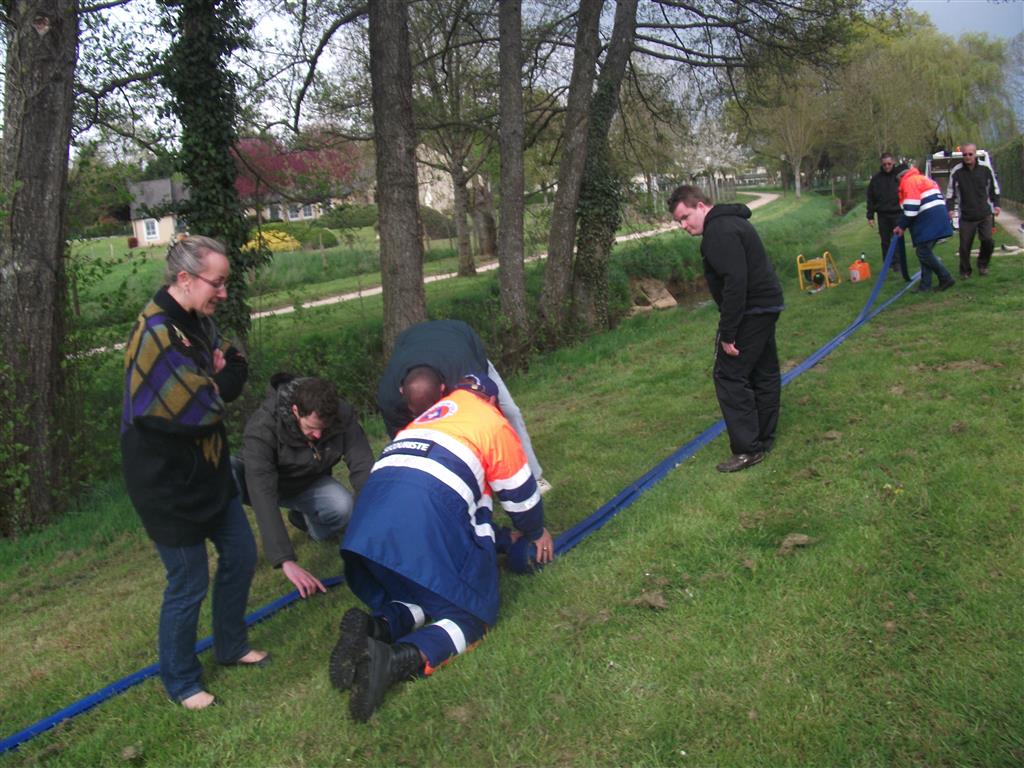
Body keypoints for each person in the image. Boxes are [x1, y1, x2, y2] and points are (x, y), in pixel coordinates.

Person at [331, 373, 554, 722]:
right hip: (425, 519)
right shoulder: (491, 422)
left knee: (418, 593)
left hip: (368, 527)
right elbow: (521, 496)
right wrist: (535, 532)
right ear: (491, 401)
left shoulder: (423, 421)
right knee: (471, 616)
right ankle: (396, 659)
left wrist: (501, 538)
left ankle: (376, 627)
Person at [121, 236, 267, 711]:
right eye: (216, 283)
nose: (223, 293)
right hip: (165, 481)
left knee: (240, 554)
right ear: (184, 278)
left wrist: (217, 380)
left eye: (225, 283)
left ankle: (231, 644)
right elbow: (200, 408)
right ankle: (182, 681)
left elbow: (236, 363)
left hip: (209, 468)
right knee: (188, 582)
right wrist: (216, 384)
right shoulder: (156, 333)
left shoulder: (199, 321)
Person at [667, 185, 783, 473]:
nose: (683, 226)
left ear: (701, 206)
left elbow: (735, 283)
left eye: (685, 217)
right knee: (763, 370)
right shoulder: (732, 221)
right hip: (766, 305)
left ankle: (748, 449)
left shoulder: (718, 231)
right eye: (678, 221)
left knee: (729, 375)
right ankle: (763, 438)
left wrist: (728, 332)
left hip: (751, 310)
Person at [233, 375, 374, 599]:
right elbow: (262, 493)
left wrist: (372, 521)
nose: (318, 435)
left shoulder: (341, 415)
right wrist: (284, 559)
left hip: (307, 482)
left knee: (343, 507)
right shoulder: (262, 427)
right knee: (224, 474)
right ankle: (233, 554)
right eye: (311, 428)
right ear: (296, 411)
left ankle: (306, 522)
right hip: (262, 483)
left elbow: (363, 466)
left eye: (323, 429)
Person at [377, 318, 550, 492]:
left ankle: (534, 477)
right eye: (416, 414)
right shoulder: (388, 396)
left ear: (443, 389)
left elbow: (492, 420)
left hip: (461, 346)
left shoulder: (467, 378)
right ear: (401, 391)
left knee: (509, 412)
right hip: (416, 346)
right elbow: (404, 441)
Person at [892, 163, 955, 293]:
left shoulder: (909, 182)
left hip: (929, 220)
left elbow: (911, 209)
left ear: (900, 177)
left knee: (923, 252)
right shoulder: (922, 178)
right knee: (924, 251)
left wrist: (901, 226)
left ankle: (946, 278)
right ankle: (925, 286)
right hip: (938, 217)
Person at [945, 143, 1001, 278]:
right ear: (962, 155)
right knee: (964, 246)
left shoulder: (985, 169)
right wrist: (950, 209)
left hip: (984, 213)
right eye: (965, 154)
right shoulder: (956, 171)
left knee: (988, 241)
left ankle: (983, 265)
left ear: (975, 154)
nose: (968, 157)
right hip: (966, 216)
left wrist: (996, 205)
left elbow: (994, 188)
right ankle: (965, 271)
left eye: (970, 154)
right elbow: (950, 192)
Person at [866, 152, 910, 281]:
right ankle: (888, 264)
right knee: (885, 241)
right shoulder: (876, 179)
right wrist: (870, 216)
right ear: (881, 164)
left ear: (893, 162)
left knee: (898, 239)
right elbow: (870, 198)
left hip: (897, 213)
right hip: (883, 214)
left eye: (889, 164)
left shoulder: (899, 177)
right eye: (884, 164)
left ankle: (898, 264)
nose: (887, 166)